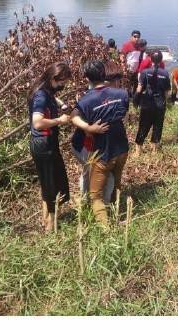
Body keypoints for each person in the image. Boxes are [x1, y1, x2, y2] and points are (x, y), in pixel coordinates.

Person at [71, 61, 129, 228]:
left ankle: (106, 232)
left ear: (88, 78)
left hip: (103, 153)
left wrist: (89, 127)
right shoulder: (122, 93)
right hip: (122, 148)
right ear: (104, 73)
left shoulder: (86, 100)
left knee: (95, 196)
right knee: (117, 182)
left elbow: (73, 117)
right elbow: (122, 114)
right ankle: (116, 212)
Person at [29, 63, 76, 232]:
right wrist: (59, 120)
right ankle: (50, 225)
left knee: (47, 181)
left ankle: (46, 218)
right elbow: (38, 122)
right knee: (53, 183)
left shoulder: (41, 88)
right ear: (53, 79)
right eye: (63, 82)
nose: (64, 85)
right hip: (44, 143)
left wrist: (61, 104)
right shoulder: (41, 96)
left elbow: (51, 97)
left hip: (44, 143)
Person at [134, 51, 170, 156]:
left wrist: (136, 101)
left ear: (151, 60)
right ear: (161, 60)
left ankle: (138, 152)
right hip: (160, 104)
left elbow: (139, 89)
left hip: (147, 103)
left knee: (143, 126)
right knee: (158, 126)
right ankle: (154, 150)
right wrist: (167, 102)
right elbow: (167, 93)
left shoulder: (145, 72)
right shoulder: (165, 73)